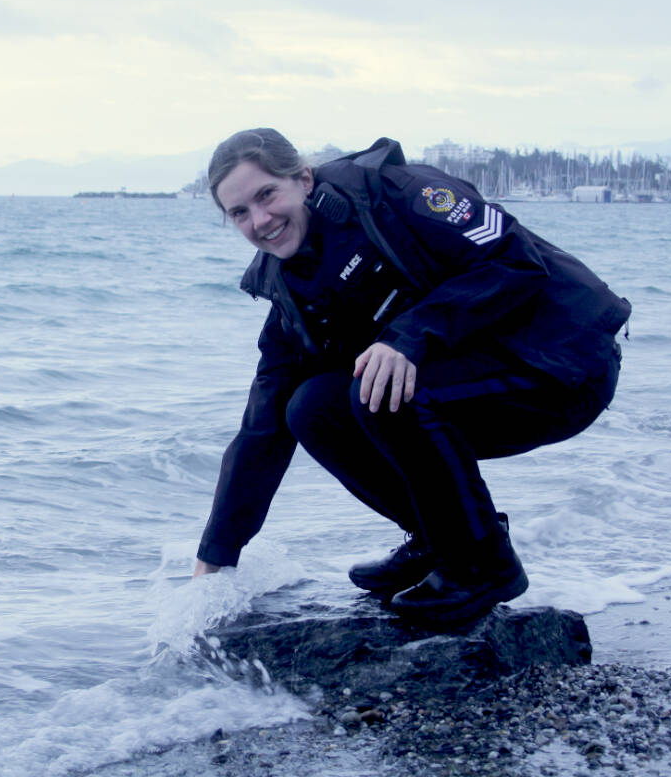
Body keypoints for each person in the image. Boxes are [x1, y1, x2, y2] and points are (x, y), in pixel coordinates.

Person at [192, 128, 630, 626]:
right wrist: (216, 557)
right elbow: (262, 430)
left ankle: (482, 564)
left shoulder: (396, 193)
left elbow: (515, 261)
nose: (260, 220)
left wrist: (409, 336)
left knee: (382, 388)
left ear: (304, 179)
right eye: (240, 213)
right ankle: (439, 541)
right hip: (475, 375)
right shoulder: (289, 286)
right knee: (309, 409)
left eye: (266, 195)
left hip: (565, 365)